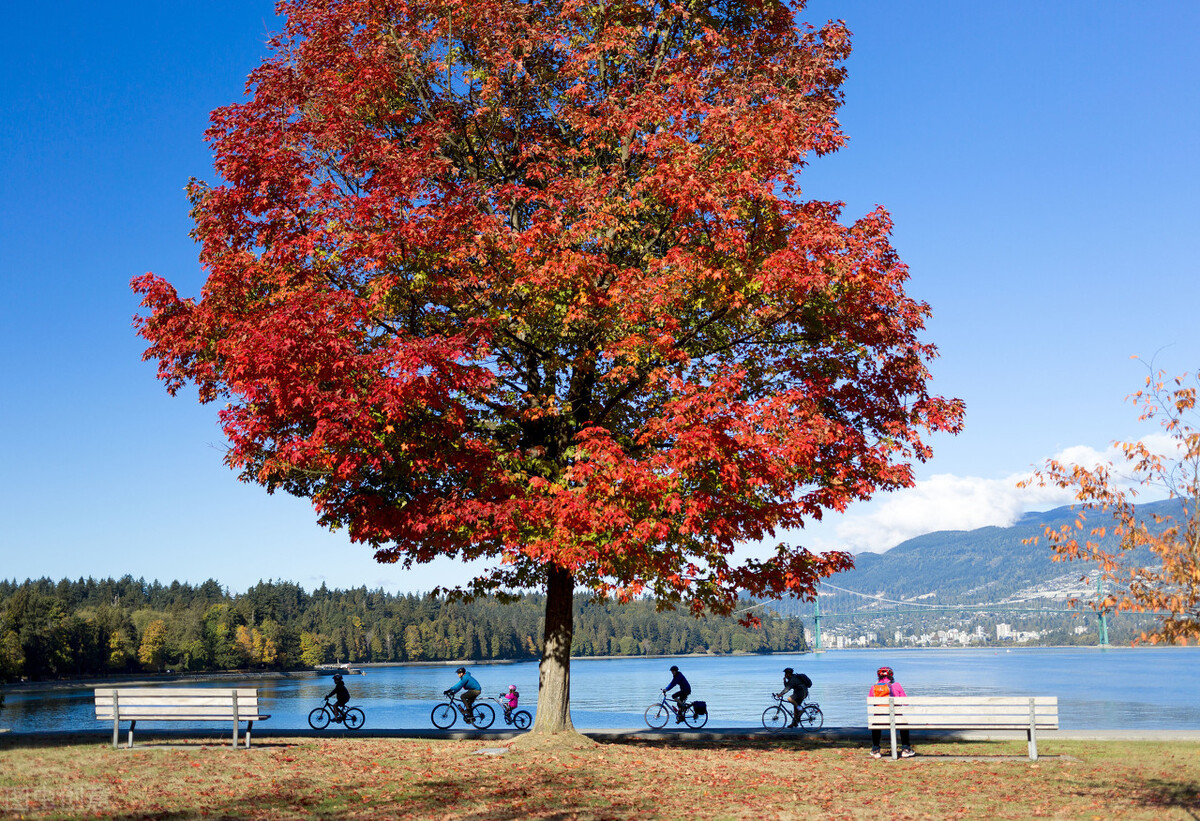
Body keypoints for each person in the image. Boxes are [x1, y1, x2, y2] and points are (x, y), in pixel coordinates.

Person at [870, 665, 915, 758]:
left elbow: (871, 701)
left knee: (875, 724)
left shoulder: (874, 687)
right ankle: (906, 749)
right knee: (904, 723)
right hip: (896, 718)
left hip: (880, 719)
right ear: (891, 675)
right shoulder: (896, 685)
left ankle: (875, 750)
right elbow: (905, 702)